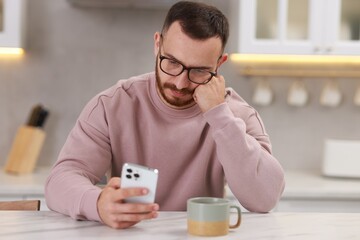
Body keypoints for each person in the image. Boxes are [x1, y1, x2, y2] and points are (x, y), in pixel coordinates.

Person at [45, 1, 285, 229]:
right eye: (171, 62)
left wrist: (219, 116)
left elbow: (265, 198)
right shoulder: (112, 105)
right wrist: (97, 203)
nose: (180, 83)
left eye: (200, 71)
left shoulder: (236, 115)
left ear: (219, 64)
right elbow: (60, 181)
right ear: (157, 45)